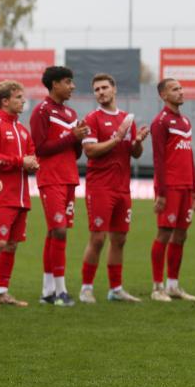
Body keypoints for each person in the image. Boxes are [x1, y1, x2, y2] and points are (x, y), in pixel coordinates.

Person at [79, 73, 149, 303]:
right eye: (96, 89)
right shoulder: (92, 118)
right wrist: (117, 139)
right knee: (98, 238)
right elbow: (90, 151)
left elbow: (134, 154)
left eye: (104, 88)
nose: (100, 92)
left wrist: (137, 142)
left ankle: (115, 289)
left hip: (122, 188)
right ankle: (86, 288)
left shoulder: (126, 119)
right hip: (100, 187)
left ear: (114, 89)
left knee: (119, 239)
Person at [30, 66, 88, 306]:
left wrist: (79, 138)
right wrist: (71, 137)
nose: (72, 86)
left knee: (55, 231)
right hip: (51, 178)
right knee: (60, 230)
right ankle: (61, 291)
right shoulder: (41, 111)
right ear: (54, 84)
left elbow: (73, 153)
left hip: (69, 178)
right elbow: (41, 148)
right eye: (67, 81)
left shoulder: (71, 113)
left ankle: (48, 291)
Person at [0, 80, 37, 307]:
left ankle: (2, 291)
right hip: (1, 195)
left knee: (12, 245)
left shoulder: (22, 130)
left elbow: (32, 155)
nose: (23, 101)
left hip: (22, 196)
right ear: (5, 101)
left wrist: (33, 164)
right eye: (19, 97)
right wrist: (22, 161)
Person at [149, 78, 195, 302]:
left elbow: (189, 156)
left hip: (186, 187)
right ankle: (157, 287)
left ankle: (173, 286)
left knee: (181, 235)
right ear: (163, 96)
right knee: (164, 234)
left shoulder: (186, 121)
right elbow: (158, 159)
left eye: (181, 88)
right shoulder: (160, 122)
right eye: (175, 89)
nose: (180, 92)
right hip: (169, 188)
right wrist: (160, 192)